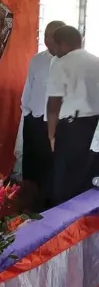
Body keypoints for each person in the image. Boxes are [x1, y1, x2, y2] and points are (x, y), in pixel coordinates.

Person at [46, 26, 99, 206]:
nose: (54, 51)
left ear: (64, 44)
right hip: (94, 126)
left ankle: (62, 222)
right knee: (87, 175)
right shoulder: (96, 61)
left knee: (64, 178)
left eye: (56, 46)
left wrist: (51, 134)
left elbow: (54, 103)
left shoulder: (61, 64)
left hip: (72, 127)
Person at [20, 20, 65, 210]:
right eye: (45, 35)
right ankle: (30, 204)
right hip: (35, 120)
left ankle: (50, 206)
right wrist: (26, 113)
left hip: (58, 125)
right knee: (32, 165)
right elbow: (28, 87)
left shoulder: (69, 63)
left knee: (52, 167)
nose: (47, 39)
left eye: (52, 35)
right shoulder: (37, 60)